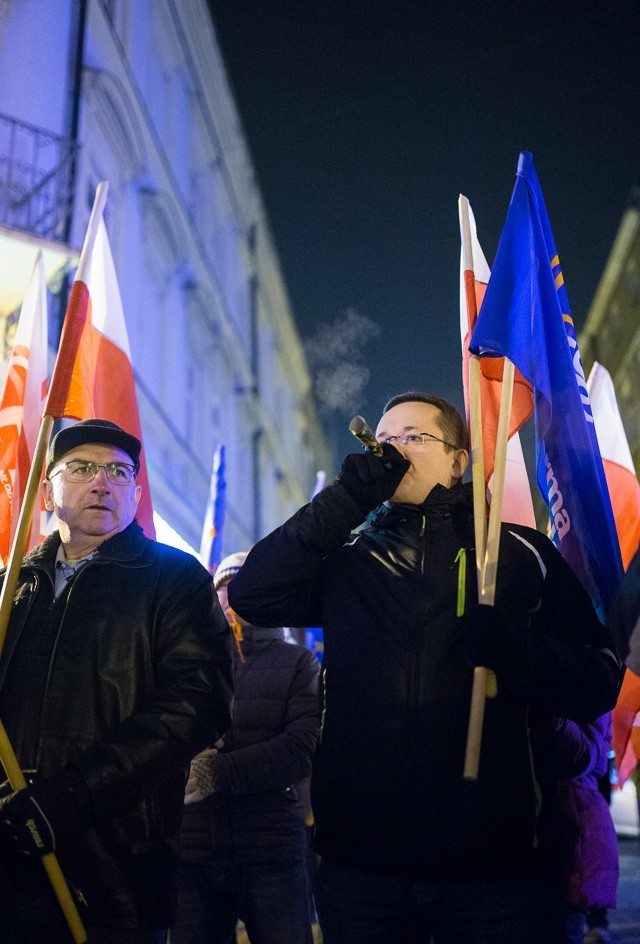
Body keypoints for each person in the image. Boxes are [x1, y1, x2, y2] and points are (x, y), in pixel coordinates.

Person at [229, 391, 620, 944]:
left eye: (414, 437)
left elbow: (599, 678)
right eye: (382, 440)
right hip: (364, 869)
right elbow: (254, 593)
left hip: (493, 872)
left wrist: (521, 655)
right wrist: (347, 498)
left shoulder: (517, 554)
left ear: (459, 460)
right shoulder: (351, 559)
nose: (394, 450)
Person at [0, 419, 233, 943]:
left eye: (119, 471)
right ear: (47, 489)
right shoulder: (11, 588)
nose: (102, 482)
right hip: (9, 867)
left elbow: (197, 706)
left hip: (115, 871)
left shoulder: (173, 580)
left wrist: (73, 794)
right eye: (81, 468)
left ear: (135, 491)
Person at [174, 550, 321, 944]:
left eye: (240, 590)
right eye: (222, 590)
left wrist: (215, 773)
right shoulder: (187, 662)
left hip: (270, 849)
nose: (230, 601)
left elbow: (300, 748)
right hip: (195, 852)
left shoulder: (298, 663)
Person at [553, 714, 618, 943]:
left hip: (576, 815)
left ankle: (598, 923)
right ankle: (597, 923)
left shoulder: (591, 697)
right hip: (581, 810)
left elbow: (582, 753)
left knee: (564, 922)